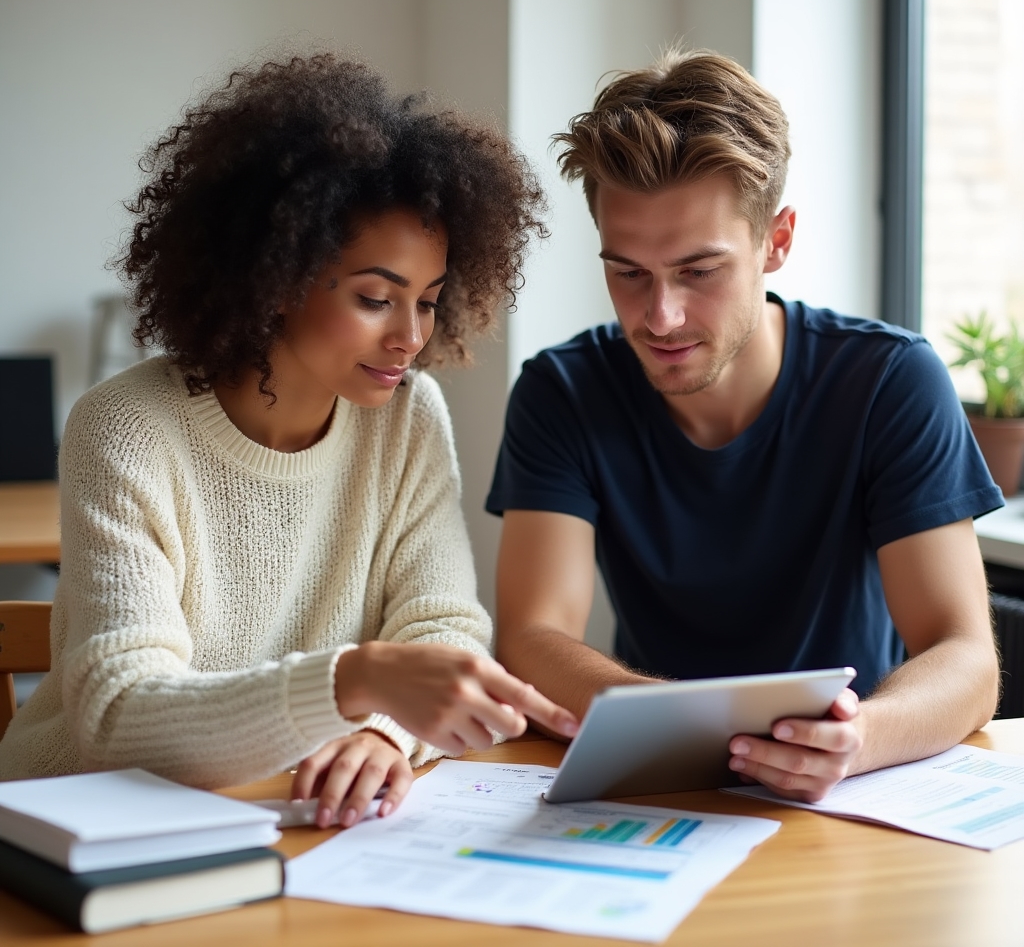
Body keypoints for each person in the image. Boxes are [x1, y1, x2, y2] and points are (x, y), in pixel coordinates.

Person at [0, 54, 578, 827]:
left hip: (291, 819)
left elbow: (443, 626)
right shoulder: (125, 427)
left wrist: (382, 731)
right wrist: (356, 683)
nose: (410, 337)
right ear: (275, 276)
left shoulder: (408, 416)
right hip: (91, 828)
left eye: (430, 302)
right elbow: (117, 718)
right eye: (376, 298)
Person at [487, 48, 1002, 803]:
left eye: (699, 271)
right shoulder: (561, 391)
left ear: (777, 240)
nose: (659, 317)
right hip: (662, 791)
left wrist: (858, 740)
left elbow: (964, 655)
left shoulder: (889, 380)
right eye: (628, 272)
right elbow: (532, 638)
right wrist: (669, 729)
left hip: (847, 790)